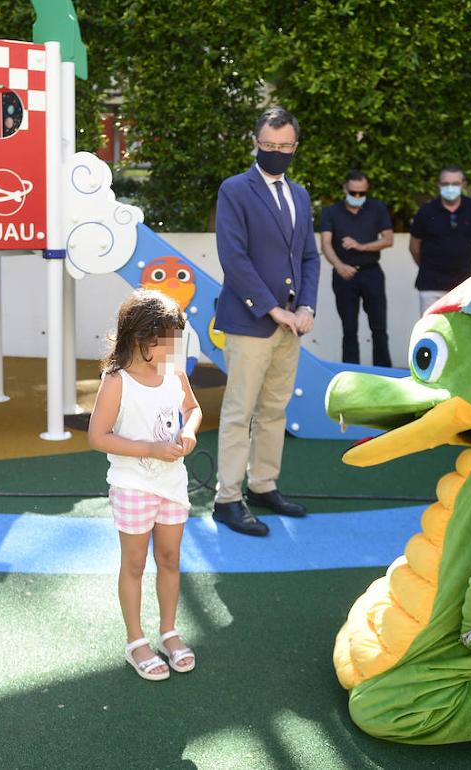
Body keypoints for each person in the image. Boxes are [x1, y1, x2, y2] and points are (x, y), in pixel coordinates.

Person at [212, 106, 320, 537]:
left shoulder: (300, 195)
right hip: (251, 322)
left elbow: (309, 257)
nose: (277, 152)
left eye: (285, 146)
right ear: (256, 143)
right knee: (239, 412)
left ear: (295, 147)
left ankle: (262, 485)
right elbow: (233, 257)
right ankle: (227, 499)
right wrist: (273, 309)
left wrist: (307, 308)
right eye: (269, 144)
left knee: (274, 410)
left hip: (291, 325)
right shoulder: (235, 190)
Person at [87, 290, 202, 681]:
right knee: (134, 564)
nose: (173, 347)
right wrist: (151, 449)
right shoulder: (117, 381)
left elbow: (192, 408)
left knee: (170, 559)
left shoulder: (173, 371)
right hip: (132, 485)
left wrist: (189, 431)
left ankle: (169, 632)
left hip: (172, 483)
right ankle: (135, 641)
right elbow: (98, 436)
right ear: (140, 337)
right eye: (167, 339)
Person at [321, 171, 395, 366]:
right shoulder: (331, 212)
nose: (357, 197)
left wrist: (361, 246)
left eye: (362, 193)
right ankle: (351, 373)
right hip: (344, 275)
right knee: (349, 329)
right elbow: (326, 244)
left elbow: (388, 239)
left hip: (371, 272)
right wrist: (339, 266)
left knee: (379, 327)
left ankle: (383, 372)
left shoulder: (377, 208)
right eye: (353, 193)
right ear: (345, 189)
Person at [409, 165, 471, 314]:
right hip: (431, 285)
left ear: (463, 184)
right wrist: (428, 265)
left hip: (463, 285)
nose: (450, 188)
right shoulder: (426, 211)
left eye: (455, 183)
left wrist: (465, 261)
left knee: (461, 327)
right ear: (439, 185)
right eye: (445, 184)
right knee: (430, 326)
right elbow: (414, 246)